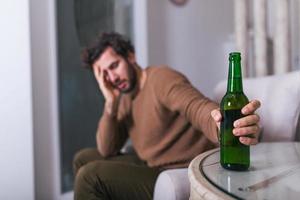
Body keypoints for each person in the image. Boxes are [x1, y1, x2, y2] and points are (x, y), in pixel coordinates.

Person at [73, 32, 261, 200]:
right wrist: (110, 104)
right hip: (150, 164)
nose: (112, 78)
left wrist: (223, 125)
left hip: (177, 170)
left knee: (90, 176)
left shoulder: (162, 79)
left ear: (130, 56)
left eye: (114, 66)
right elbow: (107, 149)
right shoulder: (122, 99)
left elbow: (197, 107)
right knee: (83, 158)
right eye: (104, 74)